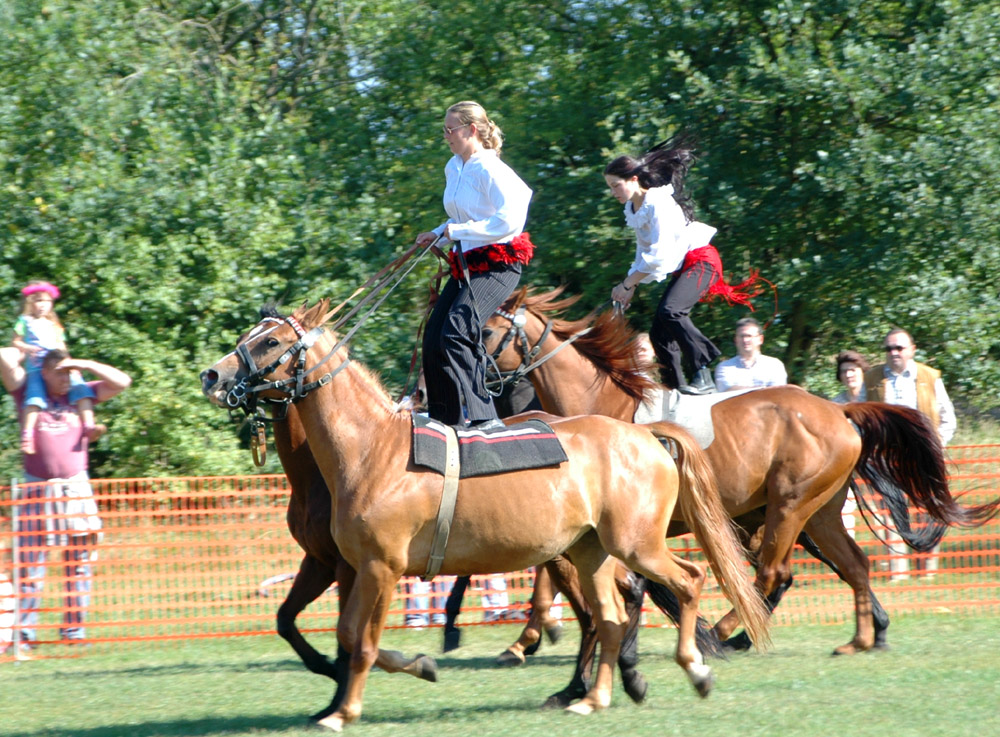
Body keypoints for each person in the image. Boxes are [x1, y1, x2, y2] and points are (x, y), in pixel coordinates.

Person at [604, 136, 759, 395]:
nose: (613, 193)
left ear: (633, 180)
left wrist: (628, 283)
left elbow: (660, 257)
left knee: (671, 312)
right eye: (610, 187)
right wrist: (629, 285)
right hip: (685, 266)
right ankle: (675, 387)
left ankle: (703, 371)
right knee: (658, 333)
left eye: (615, 186)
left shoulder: (659, 204)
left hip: (702, 261)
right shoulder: (634, 209)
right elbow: (644, 252)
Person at [415, 100, 534, 430]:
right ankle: (445, 420)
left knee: (457, 331)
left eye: (450, 130)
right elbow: (461, 217)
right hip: (467, 262)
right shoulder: (453, 166)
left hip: (499, 264)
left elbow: (510, 220)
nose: (446, 136)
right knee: (435, 335)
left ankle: (485, 417)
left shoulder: (491, 169)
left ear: (470, 130)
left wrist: (457, 231)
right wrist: (439, 233)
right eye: (444, 130)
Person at [2, 348, 132, 650]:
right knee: (30, 563)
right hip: (37, 488)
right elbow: (3, 358)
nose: (64, 378)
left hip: (76, 487)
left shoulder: (79, 392)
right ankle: (24, 634)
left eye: (67, 372)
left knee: (80, 562)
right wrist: (24, 350)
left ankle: (74, 632)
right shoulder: (26, 393)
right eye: (58, 372)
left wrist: (83, 364)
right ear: (43, 373)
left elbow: (122, 382)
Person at [864, 328, 956, 578]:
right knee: (891, 512)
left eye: (899, 348)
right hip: (885, 458)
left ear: (912, 350)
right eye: (888, 348)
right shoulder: (872, 378)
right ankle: (898, 574)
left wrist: (936, 446)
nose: (893, 353)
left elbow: (948, 418)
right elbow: (862, 417)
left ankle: (927, 571)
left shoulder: (929, 376)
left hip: (923, 457)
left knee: (930, 510)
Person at [6, 281, 97, 454]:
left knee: (81, 388)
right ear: (31, 303)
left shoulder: (54, 325)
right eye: (38, 301)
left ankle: (89, 425)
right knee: (34, 398)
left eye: (46, 301)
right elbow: (15, 341)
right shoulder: (24, 321)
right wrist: (27, 348)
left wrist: (72, 365)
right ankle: (28, 436)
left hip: (58, 365)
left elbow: (61, 346)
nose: (42, 305)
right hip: (36, 367)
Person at [831, 350, 872, 539]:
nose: (849, 375)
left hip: (875, 462)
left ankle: (893, 562)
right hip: (847, 464)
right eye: (844, 371)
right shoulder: (835, 404)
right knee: (844, 506)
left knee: (884, 510)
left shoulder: (873, 397)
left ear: (862, 370)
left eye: (853, 370)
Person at [714, 317, 788, 391]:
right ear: (735, 340)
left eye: (749, 336)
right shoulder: (724, 367)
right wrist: (764, 390)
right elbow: (727, 393)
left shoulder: (774, 365)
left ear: (760, 339)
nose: (745, 340)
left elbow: (777, 394)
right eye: (742, 336)